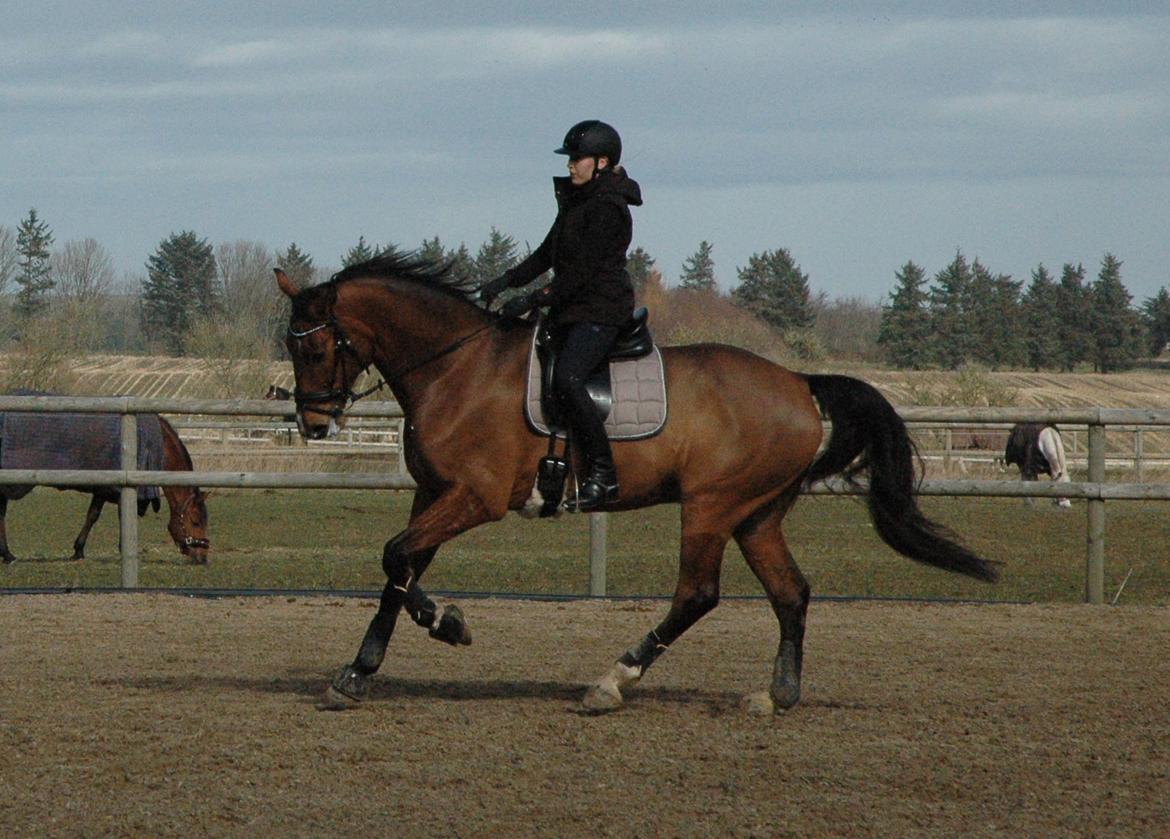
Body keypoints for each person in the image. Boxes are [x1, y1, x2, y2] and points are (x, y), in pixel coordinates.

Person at [480, 119, 642, 511]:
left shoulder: (609, 208)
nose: (571, 165)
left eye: (577, 158)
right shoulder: (577, 200)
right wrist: (504, 281)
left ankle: (603, 474)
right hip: (573, 308)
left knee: (569, 378)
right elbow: (546, 254)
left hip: (601, 310)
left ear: (602, 162)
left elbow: (580, 274)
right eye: (570, 159)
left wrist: (533, 300)